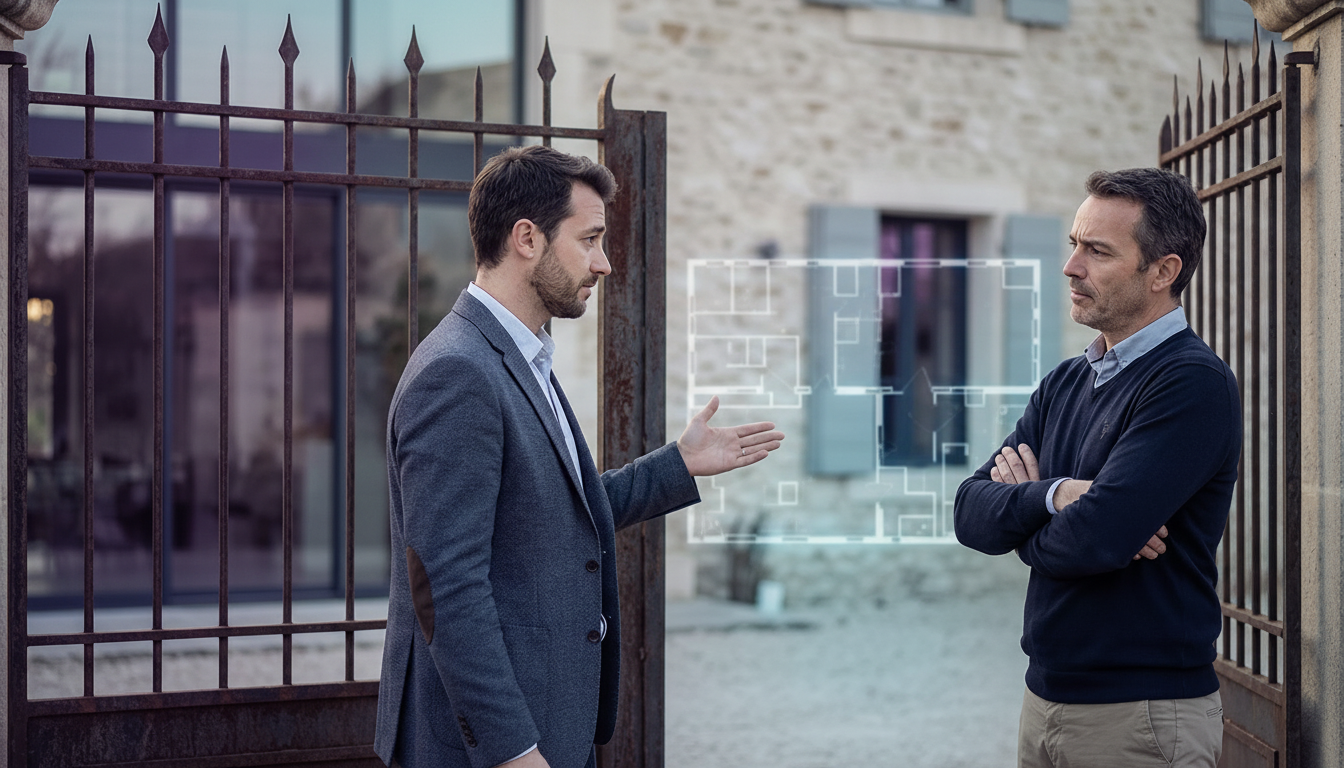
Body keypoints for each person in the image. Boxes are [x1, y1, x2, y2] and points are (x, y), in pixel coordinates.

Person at [373, 145, 783, 768]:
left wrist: (678, 464)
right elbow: (446, 588)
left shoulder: (521, 355)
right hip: (493, 750)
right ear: (527, 238)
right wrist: (514, 751)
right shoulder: (458, 373)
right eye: (590, 240)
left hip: (553, 727)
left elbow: (552, 515)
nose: (605, 264)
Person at [954, 168, 1240, 768]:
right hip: (1045, 698)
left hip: (1143, 717)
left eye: (1098, 251)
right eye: (1074, 245)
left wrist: (1037, 519)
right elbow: (969, 514)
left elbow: (1096, 541)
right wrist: (1055, 498)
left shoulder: (1190, 383)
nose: (1071, 267)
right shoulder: (1066, 381)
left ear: (1163, 271)